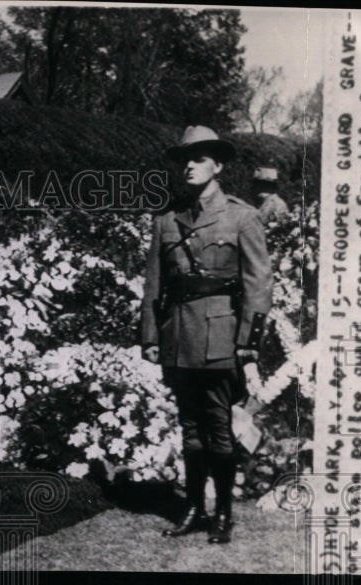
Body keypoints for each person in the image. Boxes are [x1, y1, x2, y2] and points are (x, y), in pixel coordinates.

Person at [140, 126, 271, 544]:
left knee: (218, 429)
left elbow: (258, 282)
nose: (189, 166)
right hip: (178, 334)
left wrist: (249, 340)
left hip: (220, 336)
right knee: (190, 431)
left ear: (218, 165)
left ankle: (223, 515)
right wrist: (149, 336)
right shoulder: (167, 217)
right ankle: (194, 508)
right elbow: (153, 283)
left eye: (199, 159)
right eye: (185, 160)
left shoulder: (241, 215)